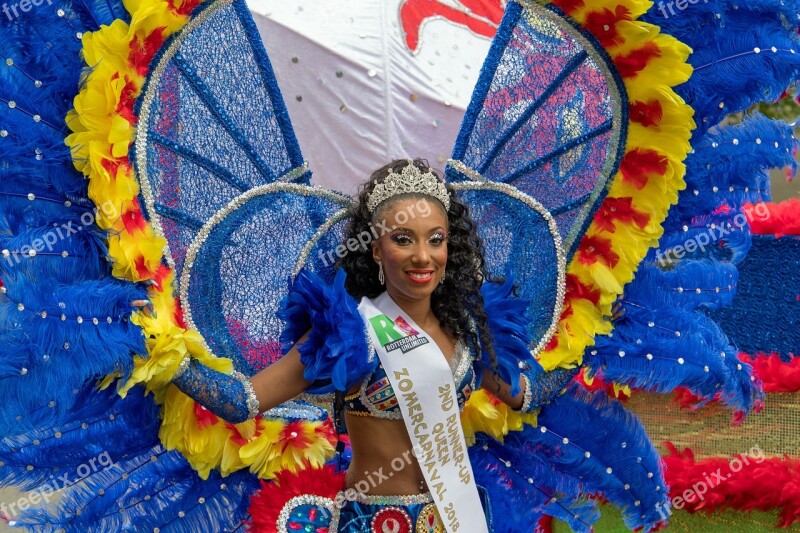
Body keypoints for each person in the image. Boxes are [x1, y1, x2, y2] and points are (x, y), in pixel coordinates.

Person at [161, 158, 577, 531]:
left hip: (454, 520)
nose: (422, 256)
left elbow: (526, 394)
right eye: (402, 239)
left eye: (435, 239)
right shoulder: (348, 332)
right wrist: (162, 355)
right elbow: (241, 400)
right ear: (376, 249)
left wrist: (589, 348)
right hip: (371, 522)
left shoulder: (472, 334)